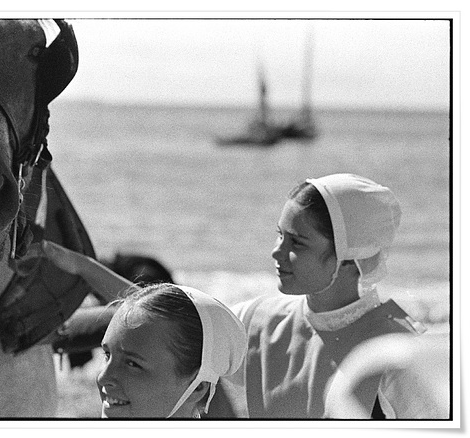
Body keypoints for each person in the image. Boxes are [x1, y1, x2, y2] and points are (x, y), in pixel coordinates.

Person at [206, 173, 427, 419]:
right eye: (280, 235)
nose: (277, 252)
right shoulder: (254, 321)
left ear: (350, 259)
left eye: (297, 243)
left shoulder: (399, 352)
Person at [42, 241, 248, 418]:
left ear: (198, 387)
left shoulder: (145, 274)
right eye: (107, 355)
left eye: (132, 364)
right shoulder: (197, 368)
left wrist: (84, 268)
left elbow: (154, 319)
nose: (102, 377)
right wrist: (83, 267)